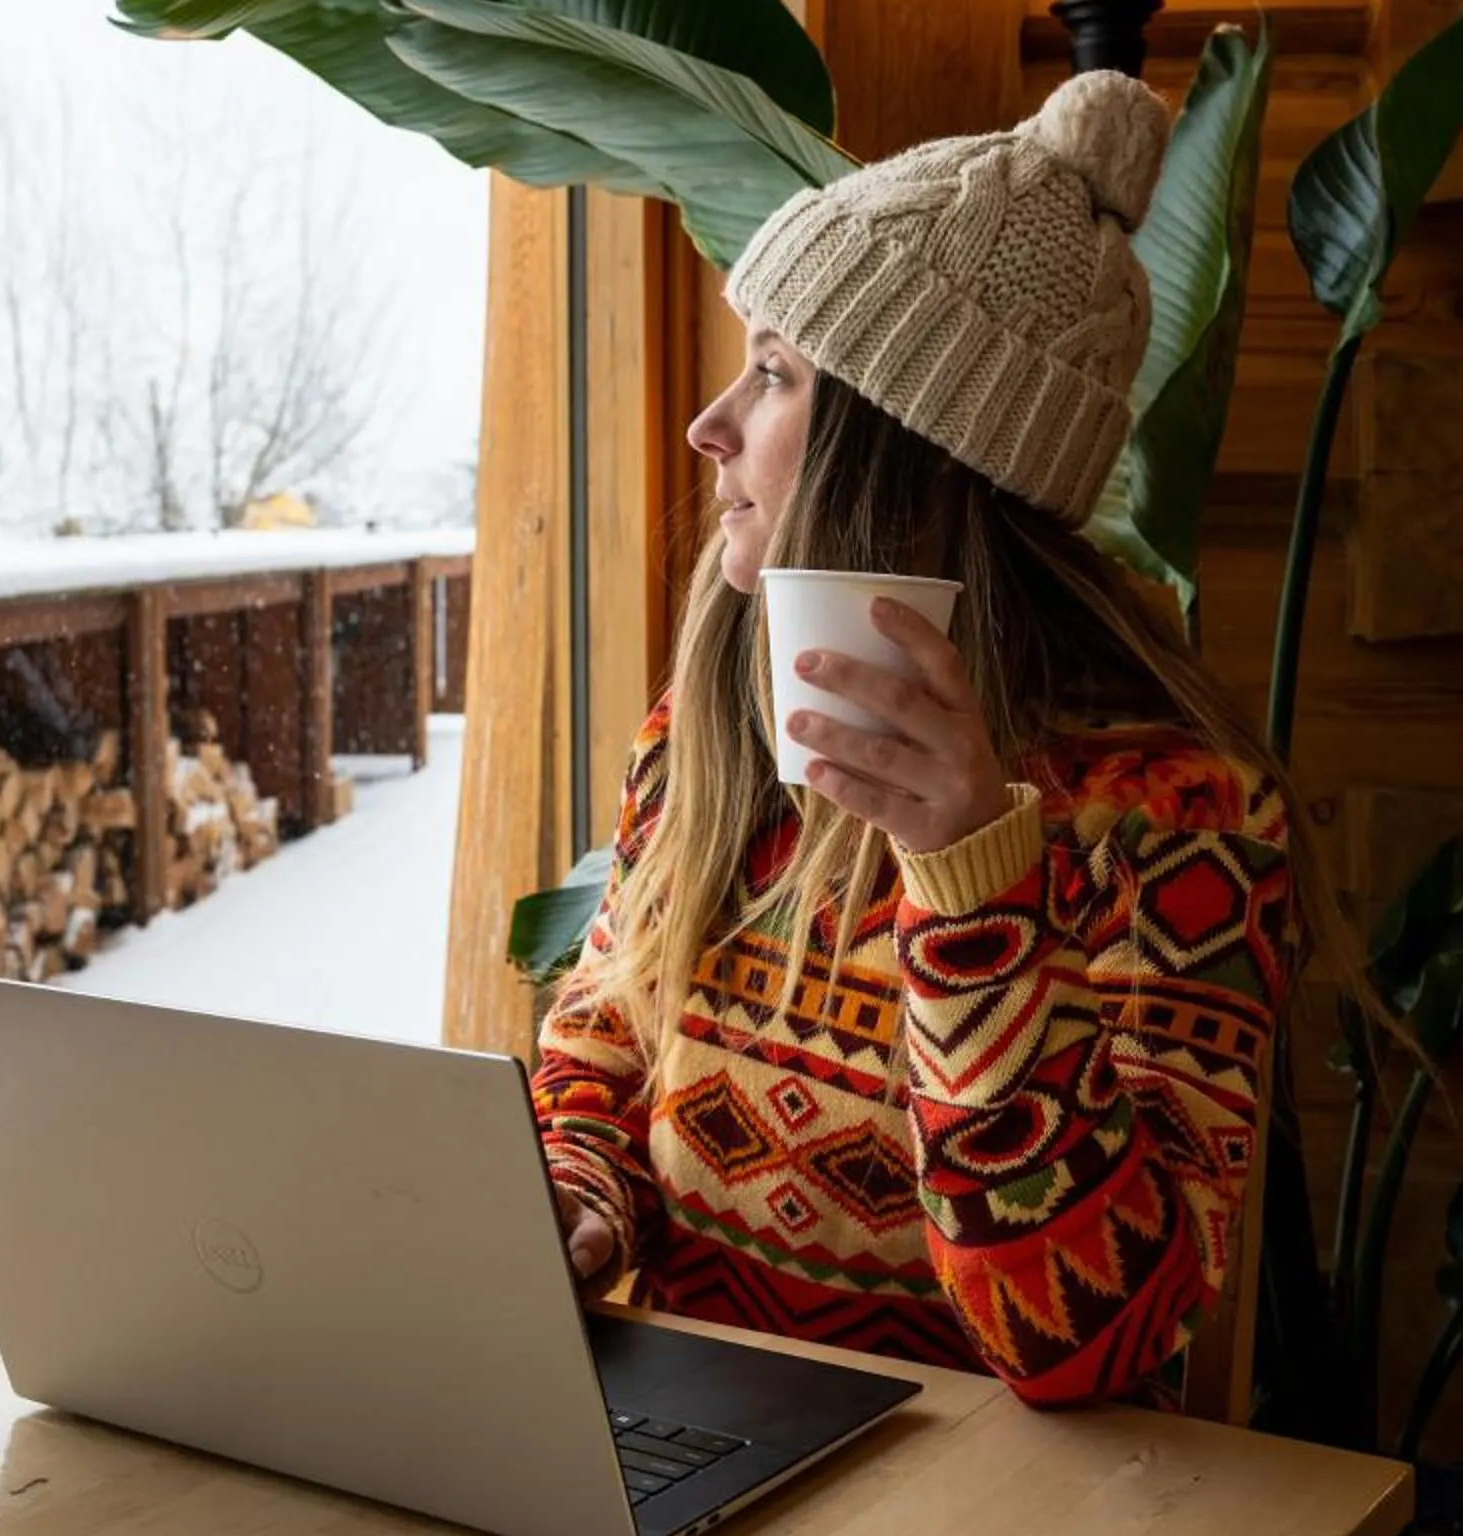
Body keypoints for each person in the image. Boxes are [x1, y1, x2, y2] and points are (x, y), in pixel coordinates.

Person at [532, 68, 1300, 1408]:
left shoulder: (1173, 818)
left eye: (774, 376)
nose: (712, 427)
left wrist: (972, 886)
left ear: (919, 452)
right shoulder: (714, 736)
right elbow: (596, 1051)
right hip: (699, 1445)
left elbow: (1096, 1346)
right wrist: (580, 1202)